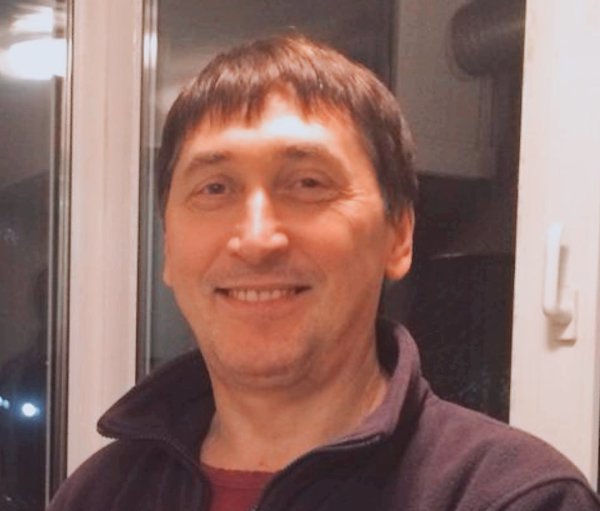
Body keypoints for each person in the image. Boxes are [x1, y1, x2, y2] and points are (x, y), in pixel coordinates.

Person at [48, 33, 600, 510]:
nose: (257, 239)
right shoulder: (99, 494)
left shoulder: (511, 497)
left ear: (399, 235)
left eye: (308, 183)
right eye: (214, 188)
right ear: (169, 248)